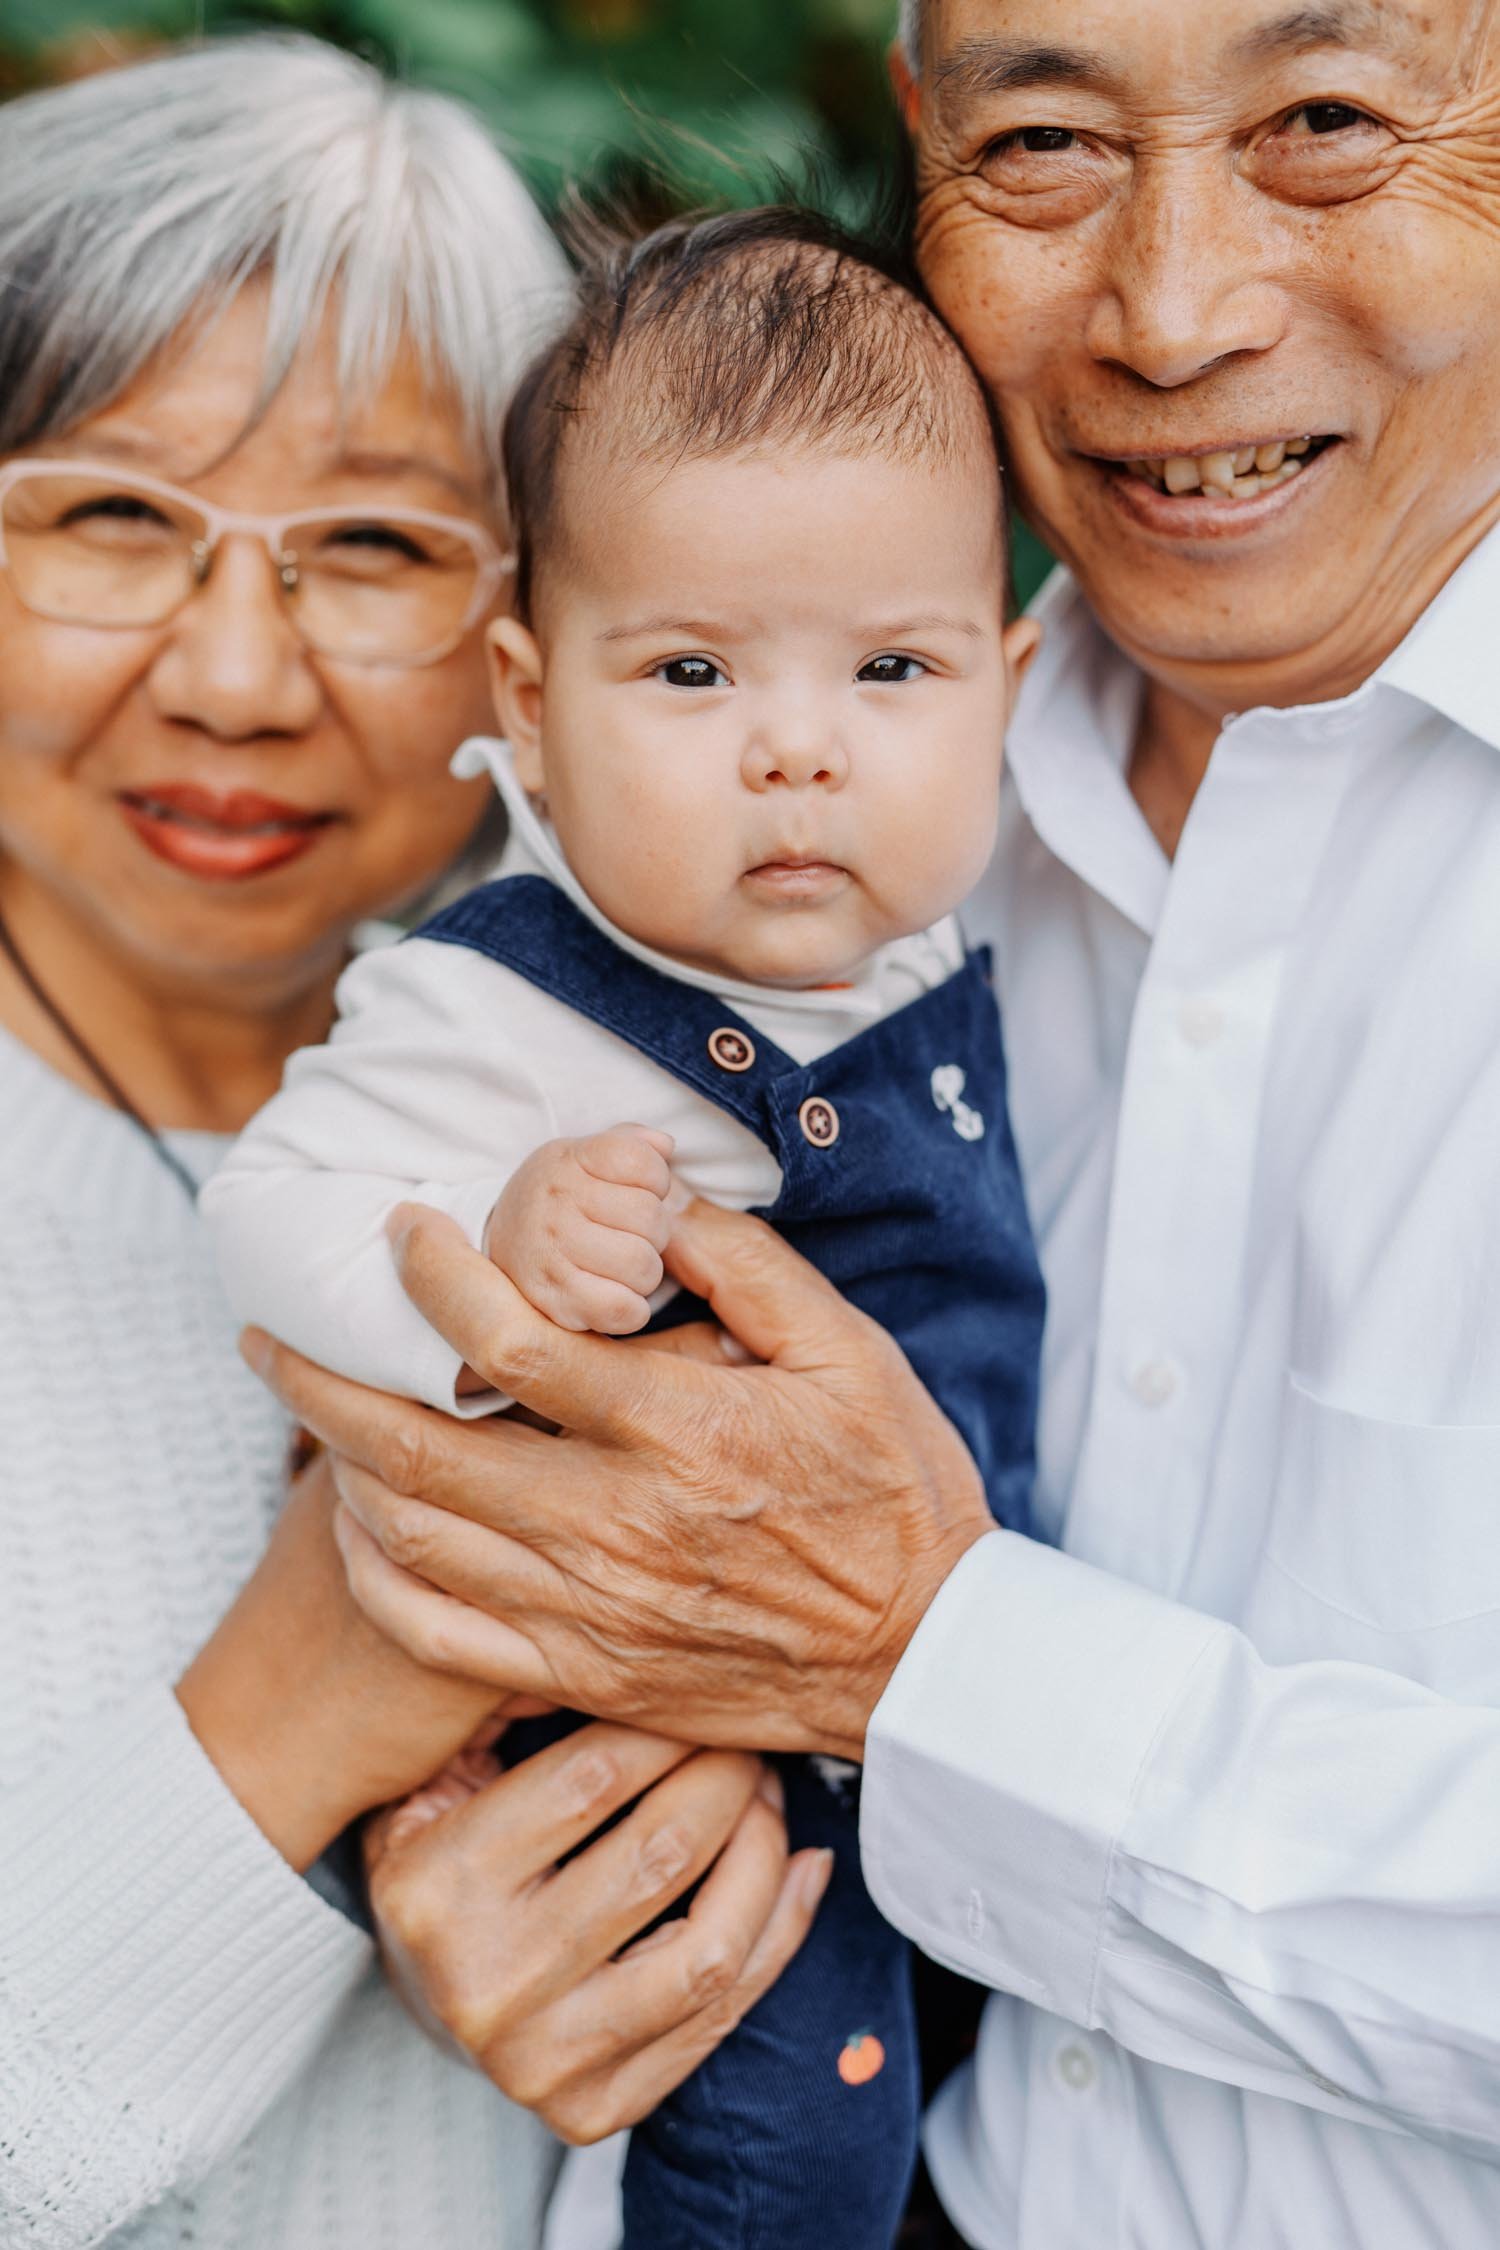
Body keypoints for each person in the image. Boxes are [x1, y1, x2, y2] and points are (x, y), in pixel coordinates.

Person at [241, 0, 1500, 2244]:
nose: (1176, 307)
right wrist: (465, 1870)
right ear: (919, 146)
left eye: (1325, 121)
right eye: (1041, 141)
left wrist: (924, 1662)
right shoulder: (766, 840)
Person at [0, 37, 827, 2250]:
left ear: (533, 631)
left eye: (372, 545)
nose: (242, 677)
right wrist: (304, 1705)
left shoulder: (679, 1121)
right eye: (109, 517)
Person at [206, 208, 1045, 2250]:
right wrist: (482, 1286)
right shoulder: (497, 999)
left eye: (893, 668)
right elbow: (267, 1213)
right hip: (697, 1773)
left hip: (977, 1721)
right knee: (788, 2156)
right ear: (532, 690)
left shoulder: (933, 930)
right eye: (689, 669)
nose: (799, 742)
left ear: (1005, 681)